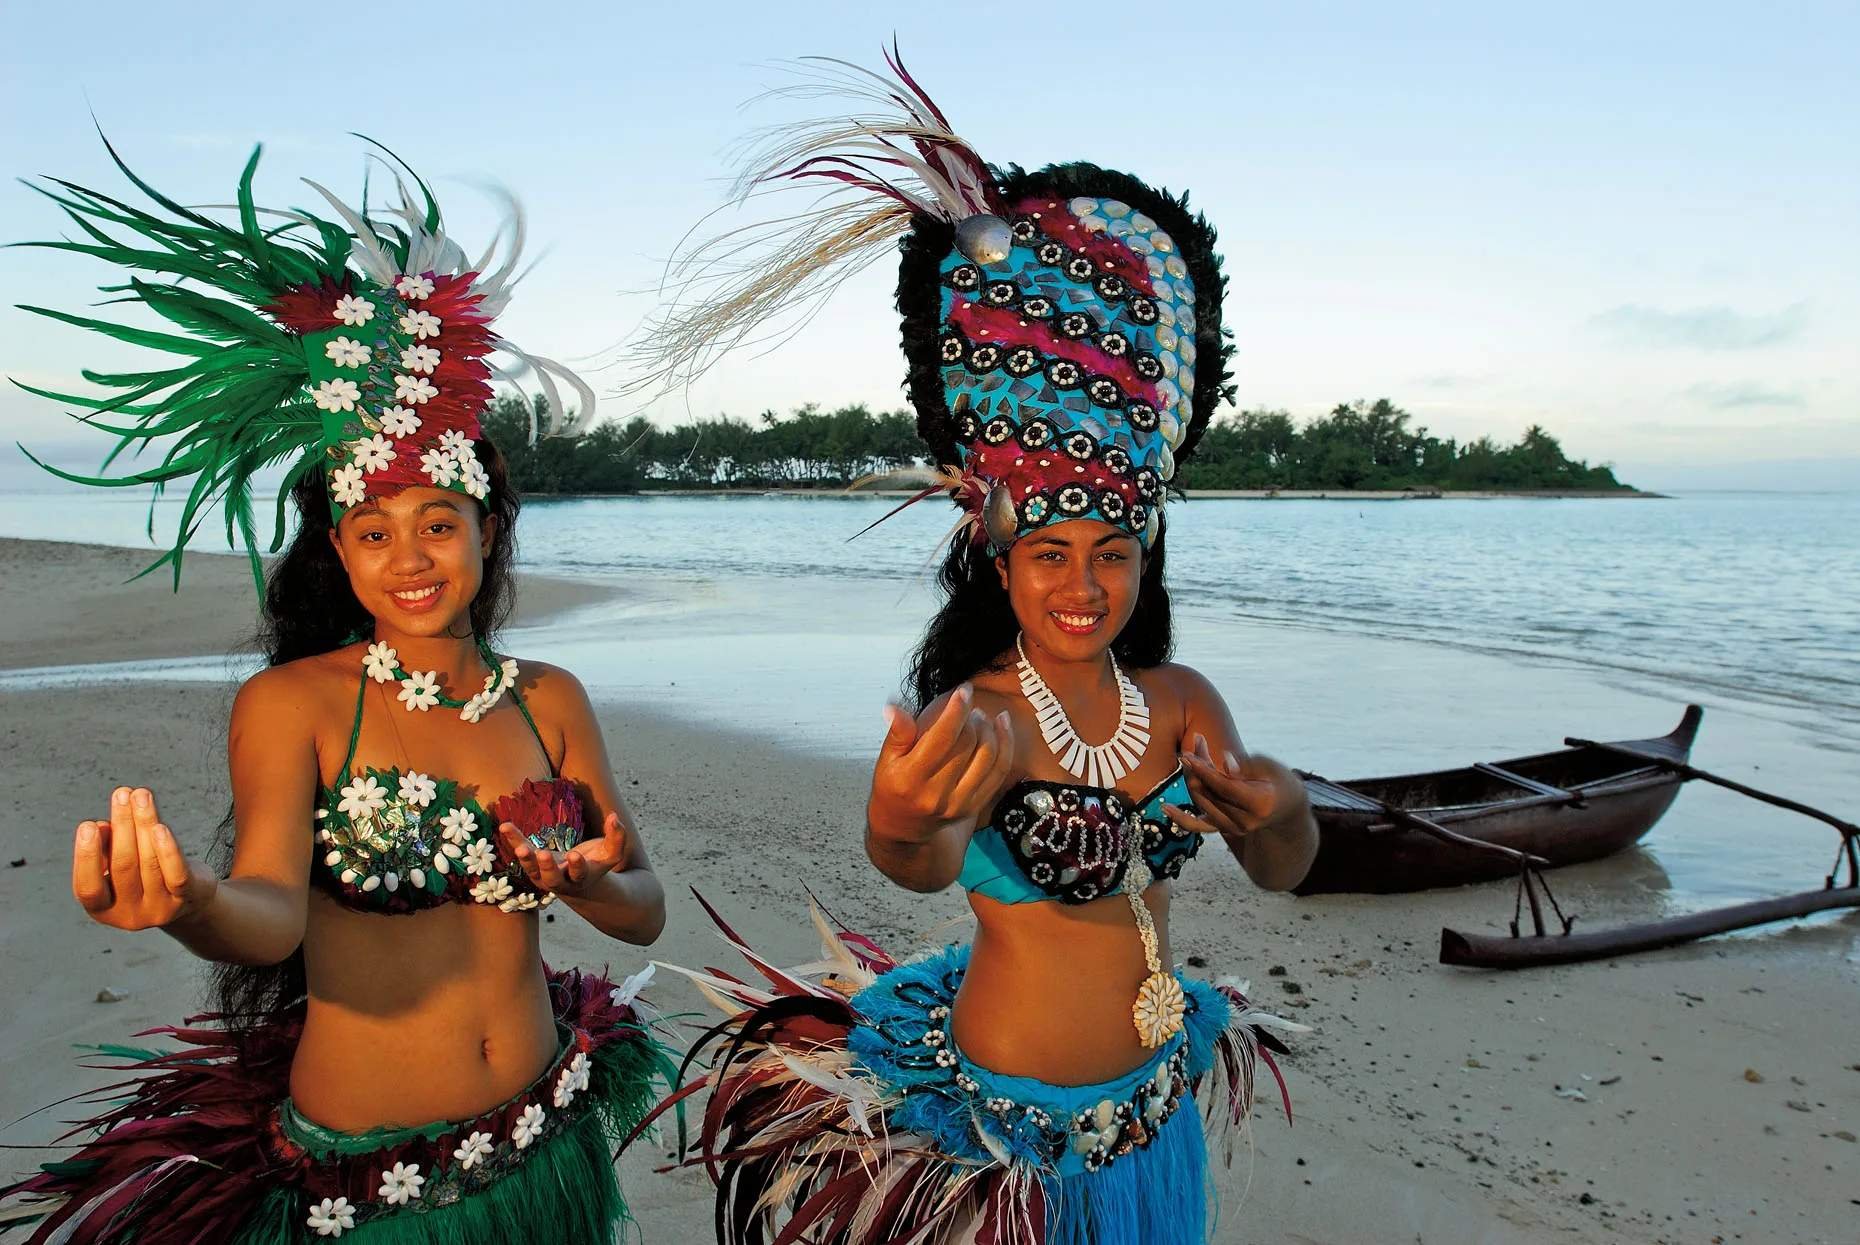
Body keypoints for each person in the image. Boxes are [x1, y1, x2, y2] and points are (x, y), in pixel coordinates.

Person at [630, 51, 1319, 1245]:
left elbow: (1287, 870)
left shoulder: (1184, 699)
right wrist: (900, 818)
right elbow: (920, 856)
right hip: (1012, 1137)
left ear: (1146, 559)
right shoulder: (983, 711)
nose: (1083, 582)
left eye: (1113, 552)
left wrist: (1281, 814)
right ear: (997, 564)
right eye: (1050, 553)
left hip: (1152, 1117)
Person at [1, 140, 671, 1245]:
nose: (410, 559)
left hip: (547, 1136)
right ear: (343, 554)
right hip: (373, 1183)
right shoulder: (295, 706)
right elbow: (268, 916)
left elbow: (641, 906)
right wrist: (191, 907)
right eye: (375, 531)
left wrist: (590, 882)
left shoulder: (550, 696)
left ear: (486, 530)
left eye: (438, 526)